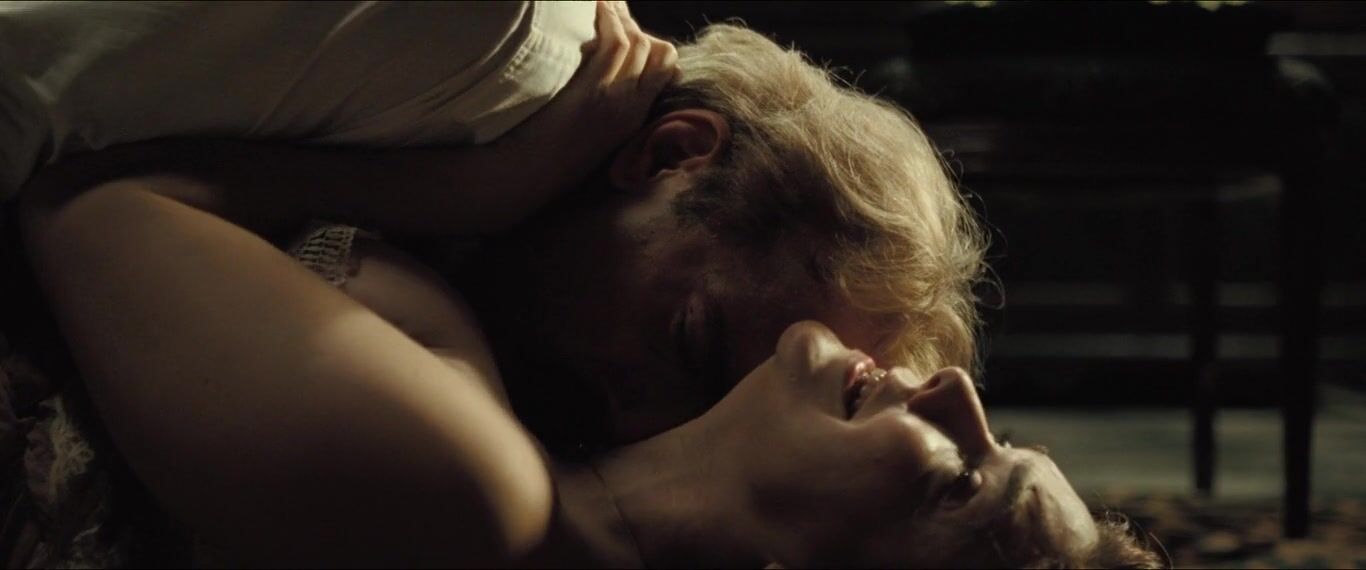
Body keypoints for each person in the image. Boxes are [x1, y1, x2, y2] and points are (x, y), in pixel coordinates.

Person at [12, 2, 1163, 568]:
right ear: (671, 157)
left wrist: (465, 194)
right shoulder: (499, 421)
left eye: (961, 484)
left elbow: (87, 199)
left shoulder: (482, 487)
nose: (955, 395)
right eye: (692, 344)